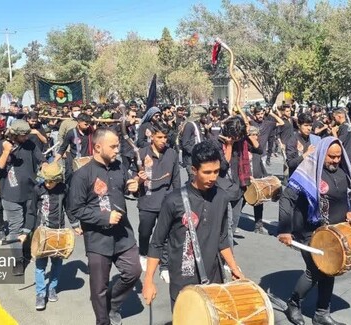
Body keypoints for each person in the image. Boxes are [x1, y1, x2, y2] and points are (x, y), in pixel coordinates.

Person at [141, 140, 244, 310]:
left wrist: (234, 268)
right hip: (182, 281)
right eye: (207, 172)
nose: (213, 177)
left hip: (213, 279)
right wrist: (148, 280)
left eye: (216, 172)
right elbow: (157, 243)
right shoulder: (174, 200)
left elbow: (223, 238)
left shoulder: (222, 197)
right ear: (194, 170)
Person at [278, 137, 351, 325]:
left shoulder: (342, 173)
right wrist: (284, 229)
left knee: (330, 269)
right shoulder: (308, 171)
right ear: (322, 154)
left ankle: (321, 313)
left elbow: (348, 199)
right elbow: (286, 199)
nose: (336, 160)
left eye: (339, 157)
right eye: (331, 156)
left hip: (333, 233)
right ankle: (293, 304)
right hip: (309, 231)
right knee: (315, 271)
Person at [68, 128, 142, 325]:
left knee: (133, 272)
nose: (117, 150)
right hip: (98, 240)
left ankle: (113, 304)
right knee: (99, 288)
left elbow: (127, 186)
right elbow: (75, 209)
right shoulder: (82, 175)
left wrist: (135, 187)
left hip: (123, 235)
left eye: (118, 145)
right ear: (98, 147)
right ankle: (103, 321)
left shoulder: (119, 166)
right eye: (114, 146)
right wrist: (104, 217)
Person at [21, 162, 81, 311]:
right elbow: (31, 211)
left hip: (58, 232)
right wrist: (25, 232)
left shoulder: (63, 190)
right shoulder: (38, 189)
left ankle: (52, 288)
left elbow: (68, 208)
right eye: (46, 180)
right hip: (41, 232)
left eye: (51, 181)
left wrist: (75, 225)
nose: (48, 184)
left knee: (57, 263)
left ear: (58, 179)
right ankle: (40, 294)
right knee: (40, 266)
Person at [0, 120, 43, 274]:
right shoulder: (0, 146)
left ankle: (26, 252)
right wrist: (6, 152)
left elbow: (41, 159)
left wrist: (45, 165)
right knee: (15, 229)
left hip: (30, 193)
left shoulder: (30, 144)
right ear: (14, 134)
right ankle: (18, 261)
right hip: (10, 194)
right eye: (23, 135)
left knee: (30, 226)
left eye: (27, 135)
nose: (26, 138)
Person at [135, 122, 180, 283]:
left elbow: (176, 180)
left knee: (166, 236)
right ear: (151, 136)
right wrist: (138, 180)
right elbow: (133, 180)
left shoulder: (172, 154)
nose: (163, 140)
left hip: (166, 202)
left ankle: (165, 266)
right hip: (147, 201)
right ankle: (143, 253)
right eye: (159, 137)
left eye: (165, 137)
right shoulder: (141, 153)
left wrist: (178, 200)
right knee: (145, 232)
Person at [216, 115, 261, 237]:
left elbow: (259, 149)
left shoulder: (242, 141)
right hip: (221, 189)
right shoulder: (217, 142)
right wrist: (229, 145)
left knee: (233, 222)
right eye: (235, 137)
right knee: (224, 225)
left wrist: (249, 136)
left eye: (239, 137)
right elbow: (223, 166)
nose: (237, 139)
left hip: (238, 188)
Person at [285, 113, 320, 177]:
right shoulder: (292, 140)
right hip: (297, 177)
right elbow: (290, 163)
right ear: (299, 125)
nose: (309, 128)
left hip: (311, 176)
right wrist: (307, 153)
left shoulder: (314, 139)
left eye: (310, 125)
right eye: (306, 125)